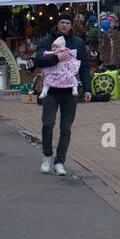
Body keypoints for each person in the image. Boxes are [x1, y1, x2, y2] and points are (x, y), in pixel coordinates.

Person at [33, 16, 92, 176]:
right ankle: (46, 156)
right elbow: (38, 60)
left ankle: (60, 161)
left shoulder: (78, 43)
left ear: (71, 26)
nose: (65, 25)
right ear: (57, 24)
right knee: (48, 124)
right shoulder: (47, 41)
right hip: (51, 90)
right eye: (62, 23)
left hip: (69, 92)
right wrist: (56, 58)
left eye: (68, 23)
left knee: (65, 128)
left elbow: (84, 67)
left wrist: (87, 88)